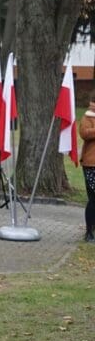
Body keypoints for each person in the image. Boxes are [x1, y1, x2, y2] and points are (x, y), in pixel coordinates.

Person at [78, 93, 95, 242]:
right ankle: (89, 232)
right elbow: (84, 133)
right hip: (91, 164)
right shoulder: (88, 117)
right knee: (93, 198)